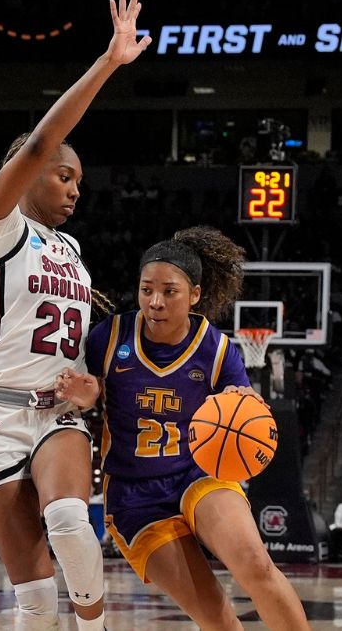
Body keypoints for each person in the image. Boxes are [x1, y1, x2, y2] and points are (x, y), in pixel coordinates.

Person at [0, 0, 151, 631]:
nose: (72, 188)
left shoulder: (71, 249)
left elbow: (81, 343)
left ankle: (96, 625)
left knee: (69, 520)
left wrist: (93, 384)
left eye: (78, 183)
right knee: (34, 598)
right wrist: (107, 63)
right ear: (28, 170)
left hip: (58, 413)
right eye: (64, 175)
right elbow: (42, 142)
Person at [57, 226, 310, 629]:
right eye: (146, 290)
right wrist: (87, 396)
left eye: (169, 291)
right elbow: (84, 389)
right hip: (134, 497)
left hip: (200, 475)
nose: (155, 301)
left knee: (256, 565)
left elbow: (241, 411)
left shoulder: (217, 350)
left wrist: (250, 409)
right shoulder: (108, 338)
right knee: (217, 617)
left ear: (194, 294)